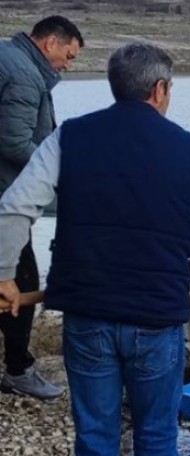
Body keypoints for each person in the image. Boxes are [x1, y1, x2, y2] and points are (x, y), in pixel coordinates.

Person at [0, 42, 190, 456]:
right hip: (156, 319)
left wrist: (4, 276)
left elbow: (13, 208)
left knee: (95, 436)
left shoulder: (70, 136)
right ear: (160, 89)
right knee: (156, 435)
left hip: (88, 315)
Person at [0, 15, 83, 400]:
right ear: (50, 43)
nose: (68, 65)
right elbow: (15, 143)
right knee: (23, 281)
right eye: (68, 56)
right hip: (5, 197)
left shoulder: (9, 56)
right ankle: (18, 370)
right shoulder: (25, 75)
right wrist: (55, 173)